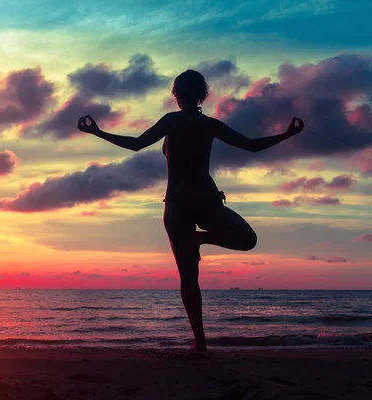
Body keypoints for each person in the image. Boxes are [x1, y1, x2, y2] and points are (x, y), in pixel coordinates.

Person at [77, 69, 304, 352]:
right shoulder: (210, 125)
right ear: (202, 95)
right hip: (205, 200)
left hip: (179, 204)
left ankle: (200, 342)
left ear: (177, 95)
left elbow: (136, 144)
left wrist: (97, 132)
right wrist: (287, 134)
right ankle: (199, 337)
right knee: (246, 240)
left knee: (189, 277)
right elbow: (252, 146)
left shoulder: (174, 121)